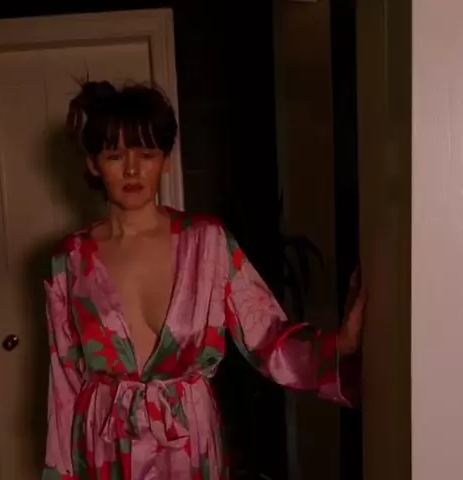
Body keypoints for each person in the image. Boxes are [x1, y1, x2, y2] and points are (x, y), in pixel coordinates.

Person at [42, 81, 366, 480]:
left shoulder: (207, 242)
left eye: (147, 154)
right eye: (114, 155)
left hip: (190, 445)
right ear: (93, 164)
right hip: (106, 448)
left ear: (165, 159)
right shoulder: (70, 261)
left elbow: (266, 336)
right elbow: (64, 384)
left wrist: (340, 344)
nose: (132, 170)